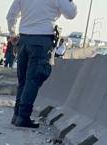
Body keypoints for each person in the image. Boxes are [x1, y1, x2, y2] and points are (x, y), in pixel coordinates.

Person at [6, 0, 78, 128]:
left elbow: (11, 15)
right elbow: (71, 14)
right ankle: (23, 116)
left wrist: (12, 34)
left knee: (23, 80)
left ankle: (17, 115)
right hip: (42, 41)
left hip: (24, 39)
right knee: (33, 79)